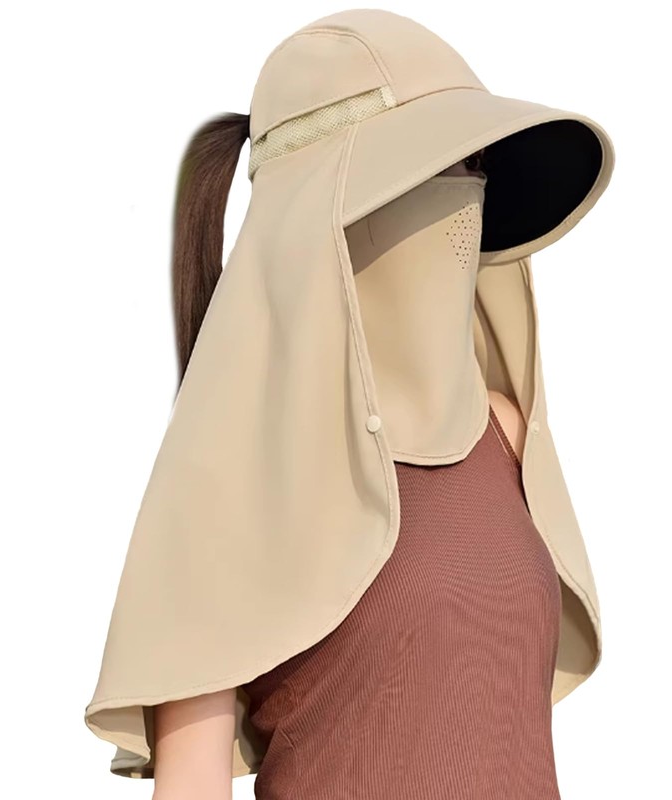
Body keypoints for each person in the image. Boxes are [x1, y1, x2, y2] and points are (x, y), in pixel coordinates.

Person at [83, 9, 616, 800]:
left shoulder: (504, 435)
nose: (465, 197)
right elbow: (192, 784)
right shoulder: (232, 474)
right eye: (437, 168)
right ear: (331, 208)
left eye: (474, 165)